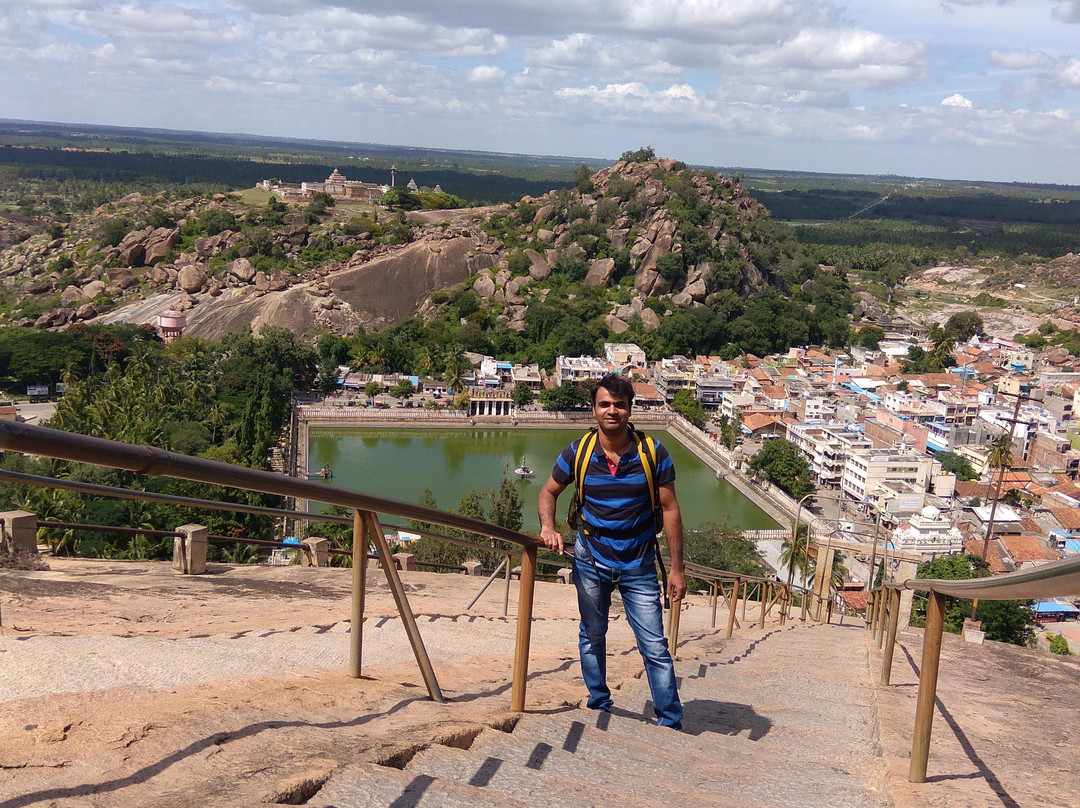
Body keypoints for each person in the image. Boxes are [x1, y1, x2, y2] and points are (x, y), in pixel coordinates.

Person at [538, 373, 686, 730]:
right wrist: (548, 527)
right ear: (594, 410)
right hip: (591, 557)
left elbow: (670, 509)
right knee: (592, 633)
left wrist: (677, 568)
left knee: (654, 645)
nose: (612, 411)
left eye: (620, 404)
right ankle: (599, 702)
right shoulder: (579, 451)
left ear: (630, 409)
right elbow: (548, 492)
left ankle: (670, 720)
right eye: (605, 404)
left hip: (639, 562)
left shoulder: (653, 452)